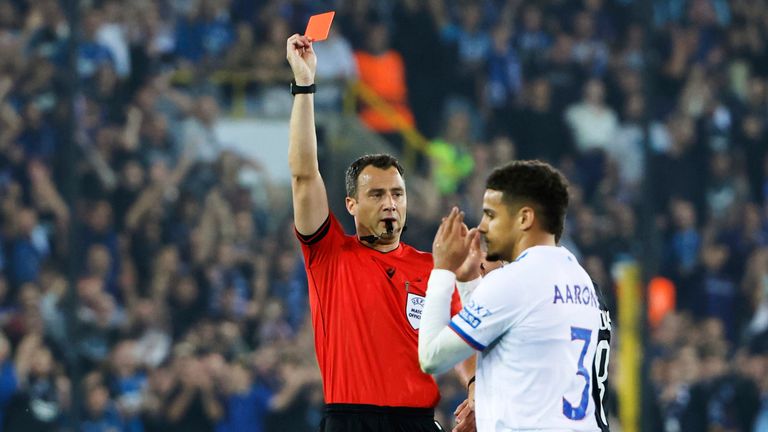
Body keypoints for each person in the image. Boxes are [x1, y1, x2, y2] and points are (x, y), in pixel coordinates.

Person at [285, 34, 472, 432]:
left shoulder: (431, 270)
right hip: (351, 420)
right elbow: (304, 176)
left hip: (417, 422)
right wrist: (304, 86)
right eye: (377, 194)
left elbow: (463, 342)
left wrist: (474, 389)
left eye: (397, 194)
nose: (390, 203)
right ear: (351, 204)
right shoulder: (329, 254)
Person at [419, 160, 611, 431]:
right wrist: (467, 280)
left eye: (491, 215)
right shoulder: (579, 279)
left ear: (524, 218)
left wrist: (442, 270)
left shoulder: (516, 280)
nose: (483, 227)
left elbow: (432, 356)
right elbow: (503, 341)